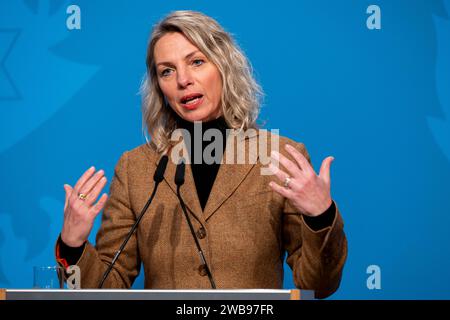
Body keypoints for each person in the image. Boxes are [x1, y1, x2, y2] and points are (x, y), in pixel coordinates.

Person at [55, 10, 347, 299]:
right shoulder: (136, 168)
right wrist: (72, 245)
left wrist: (321, 215)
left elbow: (318, 286)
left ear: (223, 67)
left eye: (196, 62)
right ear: (159, 87)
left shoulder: (280, 156)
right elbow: (107, 288)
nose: (183, 80)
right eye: (166, 71)